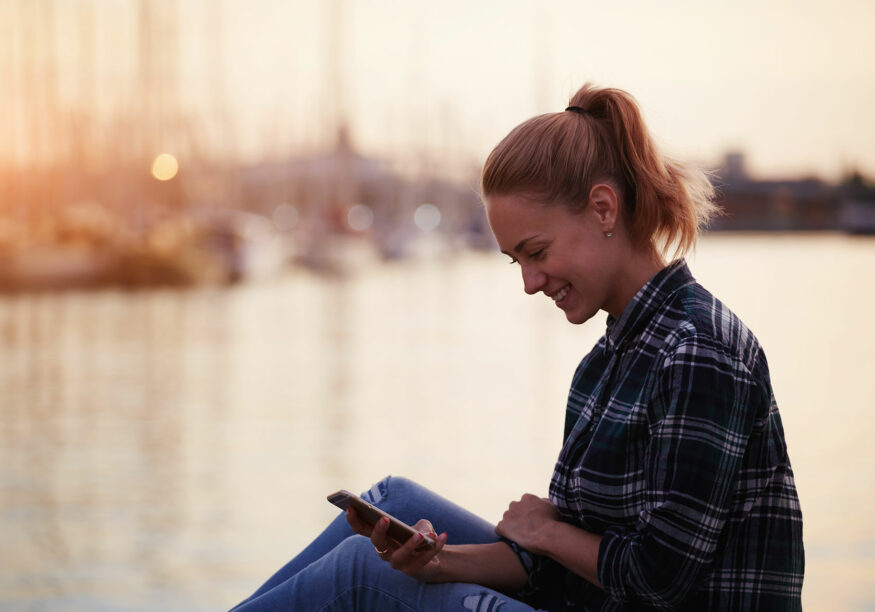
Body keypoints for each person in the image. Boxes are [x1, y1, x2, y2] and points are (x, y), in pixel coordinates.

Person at [230, 84, 804, 611]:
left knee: (359, 574)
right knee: (391, 501)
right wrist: (437, 562)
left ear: (604, 209)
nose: (530, 283)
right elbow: (563, 573)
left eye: (536, 251)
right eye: (516, 261)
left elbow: (659, 577)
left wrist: (550, 530)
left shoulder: (697, 349)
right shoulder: (604, 364)